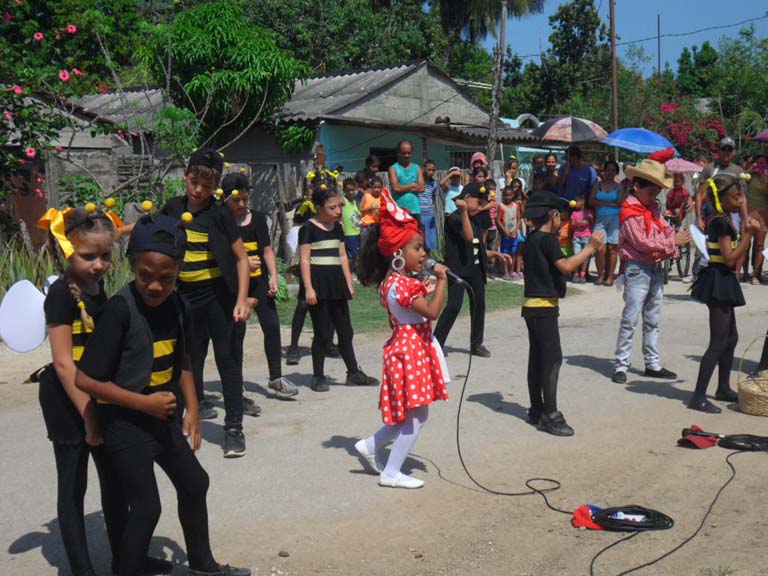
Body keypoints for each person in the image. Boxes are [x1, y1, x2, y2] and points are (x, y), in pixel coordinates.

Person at [74, 215, 250, 576]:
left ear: (179, 272)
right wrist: (144, 403)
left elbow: (183, 359)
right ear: (133, 266)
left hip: (163, 419)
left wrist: (193, 409)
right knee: (146, 507)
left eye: (166, 278)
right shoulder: (119, 311)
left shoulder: (178, 305)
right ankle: (128, 569)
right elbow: (85, 380)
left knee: (195, 483)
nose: (155, 286)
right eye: (145, 276)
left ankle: (202, 564)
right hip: (126, 424)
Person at [35, 206, 171, 576]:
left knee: (115, 483)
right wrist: (90, 416)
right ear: (67, 251)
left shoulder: (97, 288)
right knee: (73, 485)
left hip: (99, 399)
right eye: (88, 256)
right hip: (68, 404)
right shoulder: (62, 295)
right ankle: (81, 569)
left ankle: (126, 559)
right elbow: (64, 364)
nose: (98, 265)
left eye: (105, 256)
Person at [354, 190, 450, 489]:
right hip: (410, 351)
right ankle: (391, 472)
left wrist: (426, 284)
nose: (424, 254)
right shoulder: (405, 286)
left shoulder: (393, 283)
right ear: (398, 254)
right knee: (418, 415)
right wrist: (442, 282)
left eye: (423, 248)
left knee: (408, 411)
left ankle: (371, 446)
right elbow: (433, 312)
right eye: (418, 248)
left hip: (407, 347)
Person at [160, 149, 251, 458]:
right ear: (185, 176)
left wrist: (241, 299)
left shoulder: (220, 213)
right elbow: (155, 236)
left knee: (228, 363)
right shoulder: (172, 208)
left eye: (207, 186)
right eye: (194, 182)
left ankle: (234, 428)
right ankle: (185, 421)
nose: (198, 190)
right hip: (184, 299)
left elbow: (241, 259)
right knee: (187, 362)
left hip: (219, 298)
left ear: (215, 188)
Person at [521, 191, 606, 436]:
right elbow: (567, 266)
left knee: (537, 359)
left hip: (531, 306)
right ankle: (550, 413)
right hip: (544, 307)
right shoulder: (548, 240)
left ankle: (536, 409)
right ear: (555, 215)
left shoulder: (531, 238)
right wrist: (591, 247)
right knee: (552, 359)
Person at [611, 158, 692, 384]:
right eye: (651, 191)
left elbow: (664, 230)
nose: (655, 195)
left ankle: (652, 363)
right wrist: (672, 242)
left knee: (652, 318)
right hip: (638, 268)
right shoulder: (629, 211)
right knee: (631, 318)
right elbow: (642, 242)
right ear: (637, 187)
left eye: (656, 191)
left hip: (653, 267)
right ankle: (621, 364)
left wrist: (671, 237)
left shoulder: (652, 208)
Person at [688, 174, 762, 412]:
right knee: (718, 341)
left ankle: (722, 387)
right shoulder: (720, 221)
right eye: (736, 196)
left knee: (731, 338)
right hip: (718, 280)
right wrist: (749, 235)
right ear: (721, 198)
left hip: (723, 279)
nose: (740, 200)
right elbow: (730, 259)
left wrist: (745, 226)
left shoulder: (725, 218)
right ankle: (698, 396)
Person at [223, 173, 299, 400]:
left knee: (272, 326)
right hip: (233, 286)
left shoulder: (256, 219)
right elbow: (219, 253)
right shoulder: (220, 220)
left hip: (259, 282)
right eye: (236, 200)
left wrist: (274, 276)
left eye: (246, 199)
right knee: (236, 332)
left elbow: (267, 249)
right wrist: (243, 262)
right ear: (226, 198)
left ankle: (276, 378)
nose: (242, 204)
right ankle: (236, 382)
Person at [299, 172, 378, 391]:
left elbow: (343, 256)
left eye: (338, 207)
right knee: (323, 333)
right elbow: (304, 259)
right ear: (318, 207)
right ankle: (318, 376)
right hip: (319, 287)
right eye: (332, 208)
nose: (337, 211)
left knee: (346, 331)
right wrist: (308, 288)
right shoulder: (308, 229)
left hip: (337, 286)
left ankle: (353, 373)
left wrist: (349, 283)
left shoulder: (337, 228)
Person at [432, 183, 513, 357]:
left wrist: (494, 254)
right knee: (454, 306)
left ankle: (476, 343)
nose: (481, 206)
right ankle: (436, 344)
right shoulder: (454, 218)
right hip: (458, 270)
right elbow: (468, 238)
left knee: (479, 305)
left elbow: (477, 245)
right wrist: (463, 212)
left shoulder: (474, 219)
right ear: (467, 198)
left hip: (475, 269)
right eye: (479, 201)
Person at [590, 160, 626, 286]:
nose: (610, 173)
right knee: (599, 248)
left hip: (614, 220)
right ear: (604, 171)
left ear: (616, 172)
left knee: (612, 249)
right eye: (608, 170)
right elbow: (591, 201)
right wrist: (607, 204)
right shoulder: (597, 185)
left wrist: (627, 189)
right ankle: (601, 275)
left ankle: (610, 276)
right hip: (600, 219)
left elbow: (619, 203)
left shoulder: (619, 187)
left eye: (612, 170)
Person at [388, 140, 424, 223]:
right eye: (404, 153)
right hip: (400, 211)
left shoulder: (417, 168)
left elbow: (422, 188)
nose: (406, 155)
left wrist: (402, 188)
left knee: (418, 235)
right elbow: (396, 188)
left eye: (409, 153)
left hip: (415, 210)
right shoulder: (393, 168)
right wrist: (412, 185)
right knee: (402, 235)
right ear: (398, 153)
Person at [497, 185, 522, 280]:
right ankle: (506, 272)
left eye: (510, 195)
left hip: (514, 234)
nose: (508, 197)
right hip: (505, 234)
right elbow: (498, 220)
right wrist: (504, 231)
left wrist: (516, 229)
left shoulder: (516, 206)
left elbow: (519, 218)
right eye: (506, 195)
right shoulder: (501, 206)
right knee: (505, 253)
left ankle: (512, 271)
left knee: (514, 252)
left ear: (513, 195)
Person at [570, 194, 594, 283]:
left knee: (585, 257)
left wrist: (591, 219)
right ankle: (575, 274)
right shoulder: (574, 213)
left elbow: (592, 224)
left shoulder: (589, 212)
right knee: (576, 256)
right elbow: (572, 226)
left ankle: (583, 274)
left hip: (587, 237)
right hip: (577, 237)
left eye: (578, 201)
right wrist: (579, 223)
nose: (576, 203)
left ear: (583, 202)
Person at [341, 177, 362, 272]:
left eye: (352, 190)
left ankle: (350, 271)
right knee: (351, 255)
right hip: (349, 234)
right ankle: (347, 272)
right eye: (348, 190)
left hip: (357, 232)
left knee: (355, 255)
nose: (350, 192)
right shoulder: (343, 201)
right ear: (344, 191)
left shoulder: (354, 202)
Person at [420, 159, 439, 250]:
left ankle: (427, 261)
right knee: (419, 240)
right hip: (419, 214)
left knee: (429, 242)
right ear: (423, 169)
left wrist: (430, 207)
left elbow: (433, 198)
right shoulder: (418, 182)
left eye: (433, 170)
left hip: (429, 214)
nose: (431, 172)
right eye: (429, 170)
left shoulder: (434, 184)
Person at [360, 174, 384, 244]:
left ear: (382, 188)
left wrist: (380, 212)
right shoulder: (366, 196)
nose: (377, 190)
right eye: (375, 187)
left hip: (378, 225)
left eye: (379, 187)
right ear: (371, 187)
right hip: (366, 226)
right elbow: (359, 210)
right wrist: (369, 208)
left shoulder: (382, 198)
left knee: (376, 246)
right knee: (365, 246)